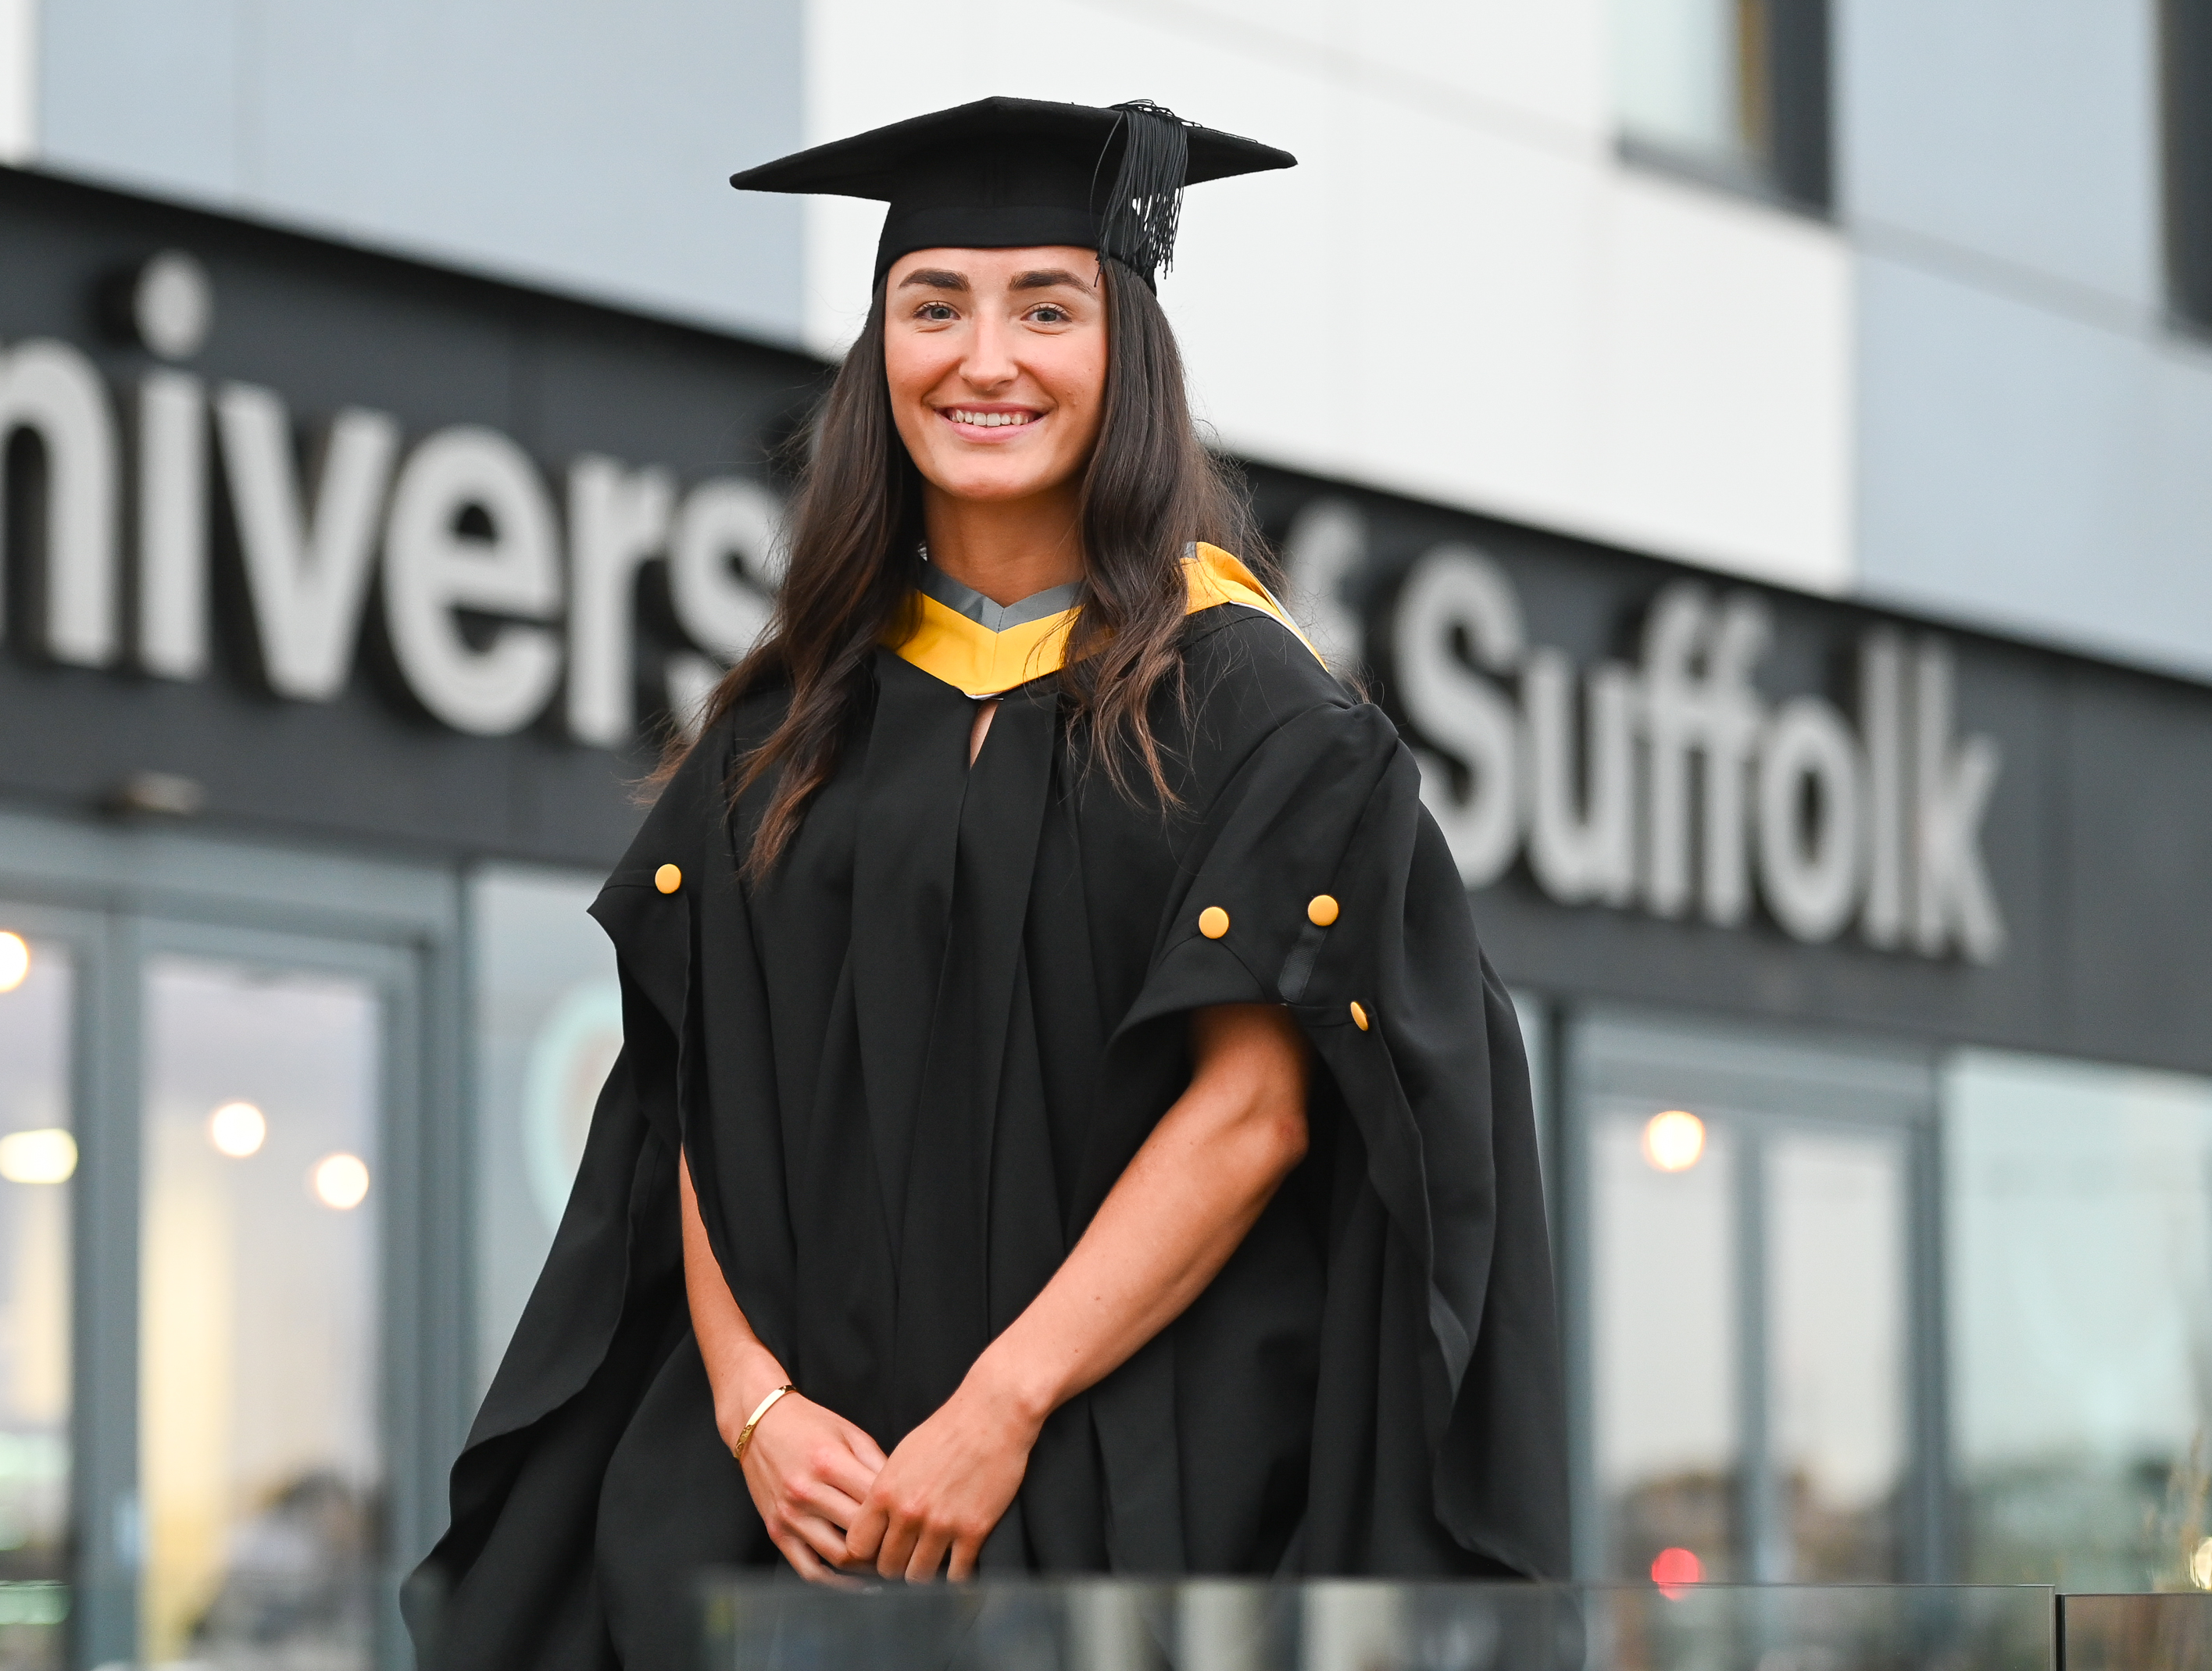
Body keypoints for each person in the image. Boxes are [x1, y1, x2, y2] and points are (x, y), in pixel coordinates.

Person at [406, 97, 1566, 1669]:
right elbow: (695, 1097)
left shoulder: (1247, 702)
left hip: (1114, 1492)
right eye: (933, 303)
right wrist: (754, 1411)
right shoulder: (785, 719)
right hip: (798, 1514)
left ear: (1127, 350)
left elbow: (1255, 1114)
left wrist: (998, 1408)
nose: (985, 357)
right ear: (879, 349)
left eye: (1047, 306)